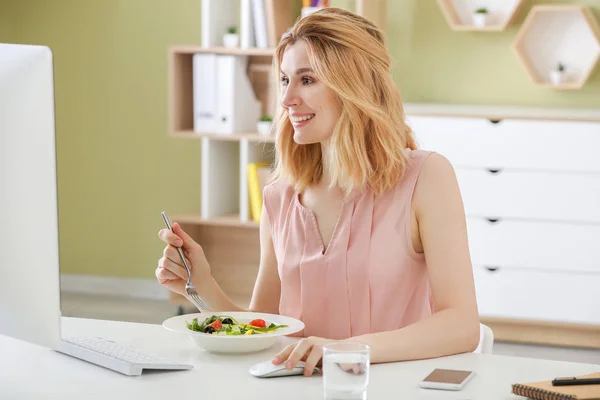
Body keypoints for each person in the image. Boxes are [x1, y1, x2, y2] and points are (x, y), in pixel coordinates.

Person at [156, 7, 480, 376]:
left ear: (354, 85)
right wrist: (202, 287)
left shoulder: (425, 177)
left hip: (392, 387)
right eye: (284, 80)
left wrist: (349, 351)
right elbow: (266, 328)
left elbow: (461, 325)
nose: (286, 99)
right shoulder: (279, 196)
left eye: (307, 80)